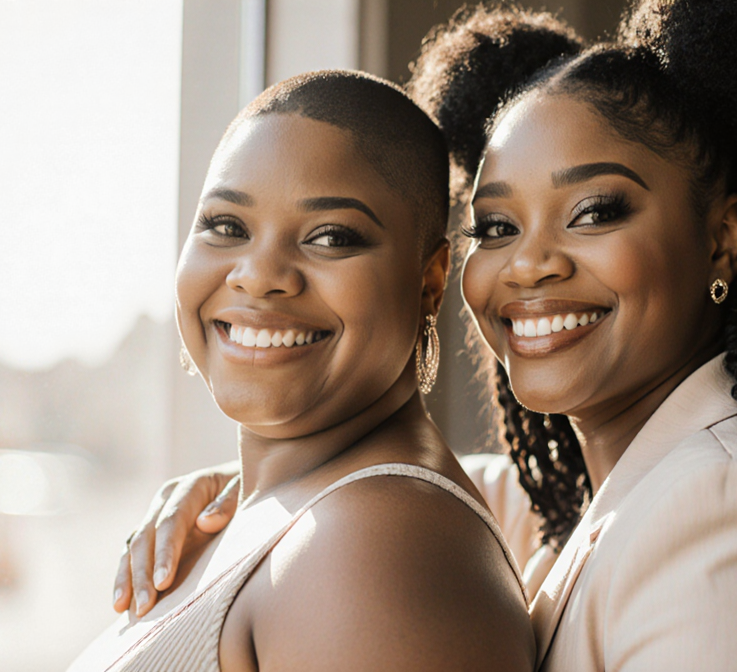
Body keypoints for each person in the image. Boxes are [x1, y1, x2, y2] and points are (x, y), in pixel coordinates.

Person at [116, 2, 737, 670]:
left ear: (723, 241)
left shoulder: (729, 511)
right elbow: (405, 487)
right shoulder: (601, 493)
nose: (530, 266)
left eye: (595, 212)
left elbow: (388, 528)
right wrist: (234, 490)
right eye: (496, 227)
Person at [69, 70, 534, 672]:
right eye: (226, 226)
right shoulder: (289, 512)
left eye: (331, 237)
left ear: (430, 281)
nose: (259, 275)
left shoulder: (369, 550)